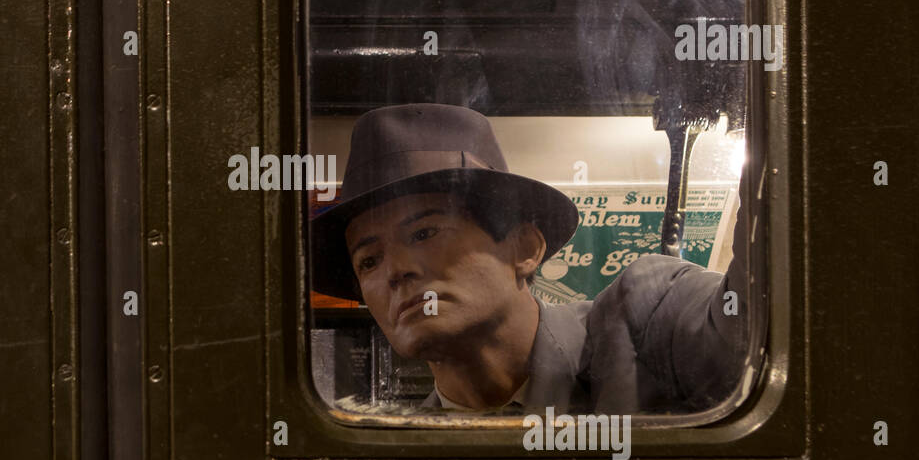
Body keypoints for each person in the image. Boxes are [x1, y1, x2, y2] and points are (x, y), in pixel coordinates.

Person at [310, 104, 749, 414]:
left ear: (524, 249)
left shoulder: (646, 318)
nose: (395, 270)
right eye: (368, 261)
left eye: (424, 232)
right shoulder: (403, 456)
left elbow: (766, 322)